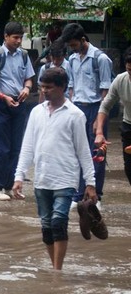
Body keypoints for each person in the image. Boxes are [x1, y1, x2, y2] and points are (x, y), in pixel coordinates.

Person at [13, 67, 96, 270]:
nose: (44, 91)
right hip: (42, 178)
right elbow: (28, 146)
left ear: (62, 88)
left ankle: (57, 270)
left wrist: (91, 183)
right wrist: (19, 176)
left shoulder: (75, 115)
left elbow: (83, 150)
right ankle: (54, 267)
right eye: (42, 87)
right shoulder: (36, 112)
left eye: (48, 87)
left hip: (65, 178)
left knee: (59, 222)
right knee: (47, 227)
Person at [0, 21, 35, 201]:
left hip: (19, 104)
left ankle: (9, 185)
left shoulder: (24, 56)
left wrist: (26, 88)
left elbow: (29, 79)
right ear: (6, 37)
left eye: (21, 37)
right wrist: (3, 96)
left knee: (16, 148)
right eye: (15, 37)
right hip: (0, 104)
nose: (18, 41)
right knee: (2, 148)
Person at [61, 23, 112, 206]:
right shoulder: (73, 60)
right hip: (78, 109)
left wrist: (99, 119)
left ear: (83, 40)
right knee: (77, 152)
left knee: (96, 153)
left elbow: (106, 91)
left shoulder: (101, 59)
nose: (73, 49)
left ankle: (95, 195)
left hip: (96, 107)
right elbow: (72, 88)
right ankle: (79, 193)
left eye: (74, 45)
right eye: (70, 46)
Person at [95, 48, 131, 186]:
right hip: (128, 125)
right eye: (129, 70)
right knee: (129, 168)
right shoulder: (120, 80)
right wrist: (99, 132)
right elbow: (105, 106)